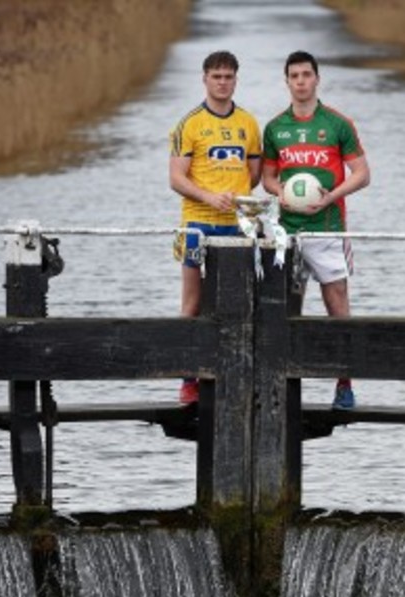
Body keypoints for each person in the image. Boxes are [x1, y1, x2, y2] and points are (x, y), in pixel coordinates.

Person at [262, 50, 370, 409]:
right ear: (287, 81)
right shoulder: (276, 128)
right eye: (294, 76)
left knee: (336, 304)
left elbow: (362, 174)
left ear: (317, 79)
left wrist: (330, 198)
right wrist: (285, 195)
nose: (301, 81)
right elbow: (267, 178)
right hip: (287, 232)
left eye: (307, 74)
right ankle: (285, 388)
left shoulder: (338, 124)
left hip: (327, 227)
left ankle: (344, 384)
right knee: (288, 309)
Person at [169, 51, 262, 404]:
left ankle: (236, 376)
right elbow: (176, 179)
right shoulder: (189, 124)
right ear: (204, 79)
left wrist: (236, 197)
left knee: (238, 304)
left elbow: (252, 174)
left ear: (236, 79)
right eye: (216, 76)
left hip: (238, 226)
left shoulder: (248, 124)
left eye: (228, 76)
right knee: (192, 304)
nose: (223, 82)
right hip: (198, 224)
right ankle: (188, 380)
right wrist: (209, 197)